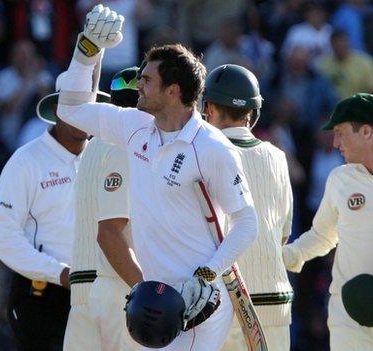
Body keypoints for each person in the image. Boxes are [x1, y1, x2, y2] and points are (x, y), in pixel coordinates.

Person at [55, 5, 258, 350]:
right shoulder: (134, 126)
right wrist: (86, 50)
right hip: (153, 301)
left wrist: (206, 275)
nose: (140, 85)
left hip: (198, 303)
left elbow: (247, 223)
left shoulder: (212, 147)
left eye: (147, 80)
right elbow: (69, 109)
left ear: (173, 91)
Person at [282, 93, 373, 350]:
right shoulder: (339, 179)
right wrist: (287, 255)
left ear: (366, 132)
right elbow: (323, 236)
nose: (335, 143)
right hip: (348, 314)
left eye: (340, 133)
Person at [0, 69, 91, 350]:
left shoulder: (101, 157)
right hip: (41, 296)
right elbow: (1, 236)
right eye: (74, 106)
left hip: (94, 294)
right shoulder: (26, 160)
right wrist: (60, 273)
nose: (82, 114)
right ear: (57, 109)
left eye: (88, 107)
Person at [203, 64, 294, 351]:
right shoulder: (278, 157)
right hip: (273, 301)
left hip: (220, 303)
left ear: (209, 108)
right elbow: (283, 234)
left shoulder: (201, 154)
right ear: (253, 113)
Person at [62, 67, 141, 351]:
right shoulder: (126, 144)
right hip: (116, 286)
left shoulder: (92, 147)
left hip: (86, 290)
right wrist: (143, 288)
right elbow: (110, 232)